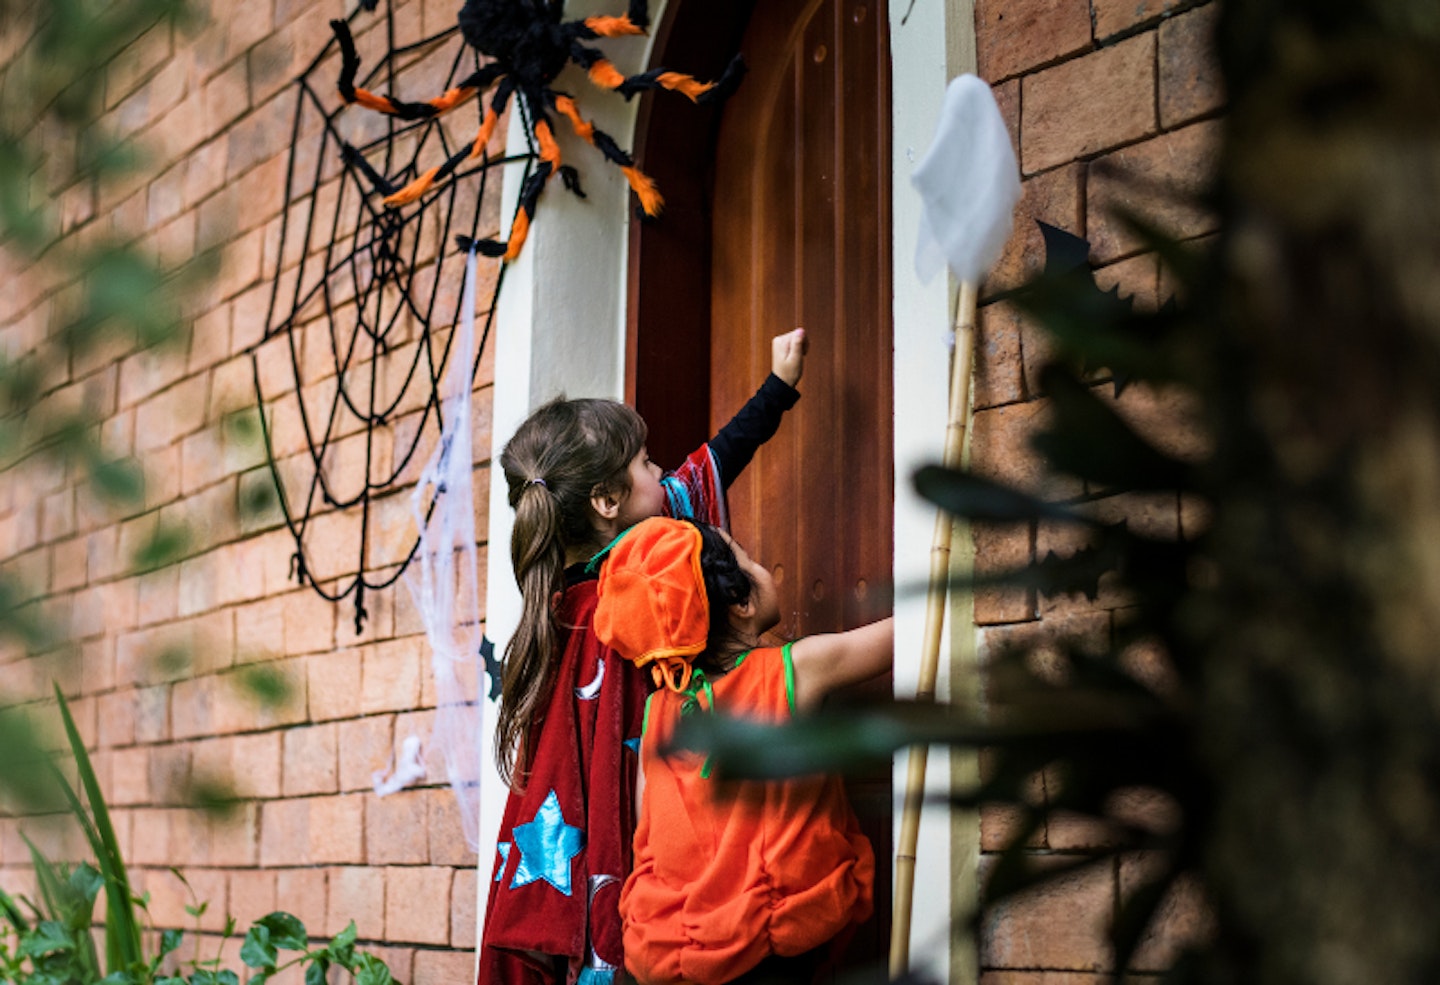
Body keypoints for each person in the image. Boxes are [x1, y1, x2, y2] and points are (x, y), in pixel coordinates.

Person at [478, 330, 808, 985]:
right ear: (605, 502)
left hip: (579, 885)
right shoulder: (649, 594)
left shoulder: (551, 608)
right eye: (646, 462)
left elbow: (699, 471)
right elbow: (694, 482)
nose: (663, 471)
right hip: (655, 873)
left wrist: (776, 390)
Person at [593, 517, 892, 985]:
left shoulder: (658, 712)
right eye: (749, 559)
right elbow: (906, 634)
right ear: (742, 602)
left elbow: (647, 839)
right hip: (768, 949)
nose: (758, 564)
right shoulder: (795, 670)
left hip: (658, 950)